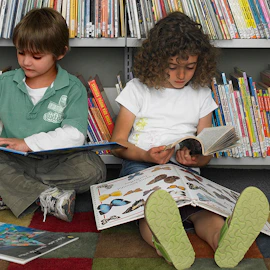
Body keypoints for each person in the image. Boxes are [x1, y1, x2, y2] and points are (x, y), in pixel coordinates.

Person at [110, 11, 269, 269]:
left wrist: (195, 156)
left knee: (203, 210)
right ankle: (171, 245)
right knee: (151, 210)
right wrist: (145, 155)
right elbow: (117, 143)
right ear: (156, 60)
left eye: (190, 67)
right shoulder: (138, 89)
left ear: (201, 63)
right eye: (172, 67)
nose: (181, 75)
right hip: (142, 167)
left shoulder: (201, 94)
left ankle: (224, 240)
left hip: (185, 170)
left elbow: (205, 148)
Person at [0, 8, 106, 223]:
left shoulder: (72, 87)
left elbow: (74, 134)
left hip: (57, 162)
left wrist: (27, 143)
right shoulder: (5, 82)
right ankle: (45, 196)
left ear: (60, 53)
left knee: (95, 170)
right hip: (14, 160)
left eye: (36, 56)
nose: (26, 62)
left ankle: (15, 191)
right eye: (21, 52)